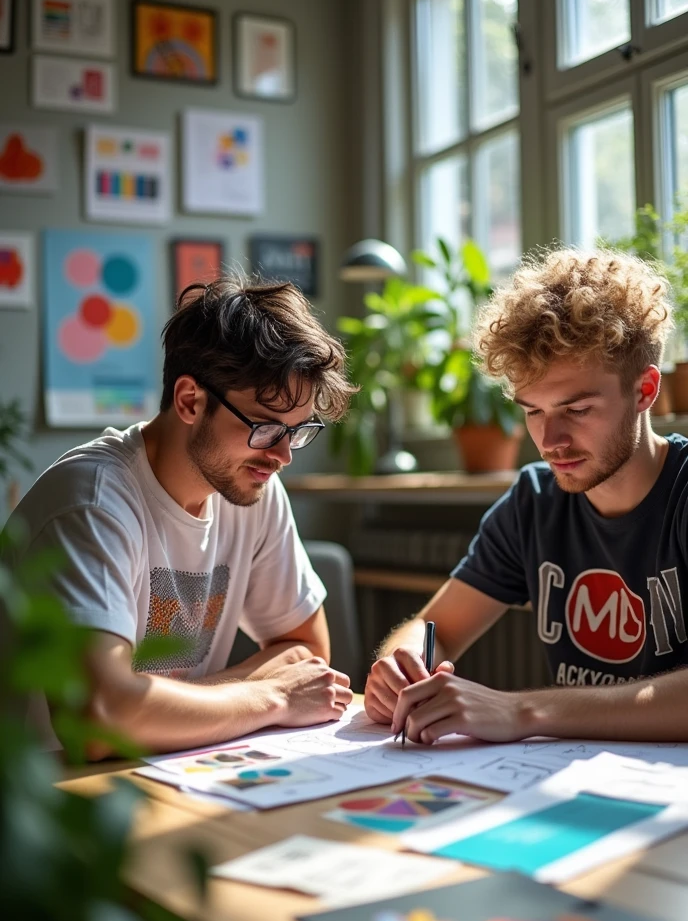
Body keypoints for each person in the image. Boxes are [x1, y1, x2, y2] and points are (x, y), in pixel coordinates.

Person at [7, 276, 356, 756]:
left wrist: (155, 707)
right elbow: (97, 721)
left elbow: (306, 652)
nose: (282, 456)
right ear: (190, 400)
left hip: (156, 767)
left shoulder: (251, 487)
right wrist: (271, 695)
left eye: (297, 432)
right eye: (265, 427)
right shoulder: (92, 503)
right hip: (51, 800)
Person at [365, 247, 688, 744]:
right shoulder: (534, 501)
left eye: (577, 409)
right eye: (533, 411)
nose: (550, 440)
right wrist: (402, 663)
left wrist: (523, 712)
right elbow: (436, 627)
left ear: (645, 390)